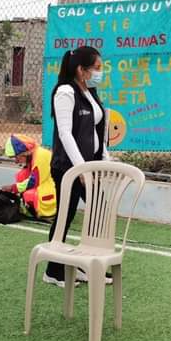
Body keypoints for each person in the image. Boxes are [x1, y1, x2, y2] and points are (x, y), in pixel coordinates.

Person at [44, 46, 111, 287]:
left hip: (90, 168)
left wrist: (106, 160)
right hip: (68, 168)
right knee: (66, 214)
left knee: (99, 212)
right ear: (81, 70)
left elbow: (95, 131)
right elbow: (65, 133)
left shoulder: (90, 92)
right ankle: (53, 270)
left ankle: (86, 263)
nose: (100, 72)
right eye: (97, 68)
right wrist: (80, 168)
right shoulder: (65, 92)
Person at [1, 134, 56, 219]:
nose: (16, 161)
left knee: (29, 195)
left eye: (16, 157)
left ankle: (47, 213)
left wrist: (13, 188)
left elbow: (33, 182)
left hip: (53, 189)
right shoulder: (34, 154)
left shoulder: (41, 156)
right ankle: (30, 207)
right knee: (21, 175)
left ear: (24, 153)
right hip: (50, 186)